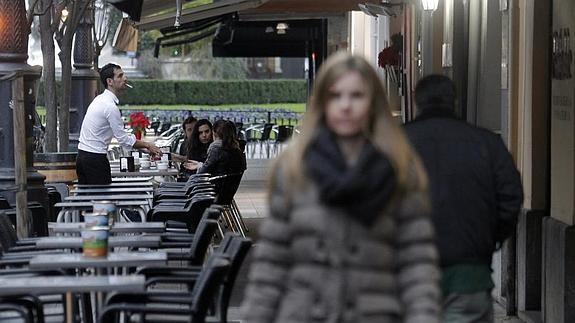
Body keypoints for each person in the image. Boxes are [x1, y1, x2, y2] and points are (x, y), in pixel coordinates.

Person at [240, 52, 440, 323]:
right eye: (335, 96)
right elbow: (271, 264)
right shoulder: (295, 168)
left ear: (372, 103)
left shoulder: (401, 169)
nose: (346, 105)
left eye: (357, 95)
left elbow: (417, 265)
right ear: (322, 102)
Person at [404, 74, 523, 323]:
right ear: (454, 102)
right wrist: (489, 238)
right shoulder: (487, 144)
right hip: (470, 273)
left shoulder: (395, 144)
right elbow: (510, 196)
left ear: (417, 102)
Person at [77, 63, 162, 184]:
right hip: (95, 160)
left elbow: (123, 139)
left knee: (88, 200)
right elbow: (124, 140)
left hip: (82, 157)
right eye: (120, 76)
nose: (125, 78)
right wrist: (148, 145)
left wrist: (144, 148)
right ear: (110, 81)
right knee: (103, 200)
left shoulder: (100, 100)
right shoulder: (110, 106)